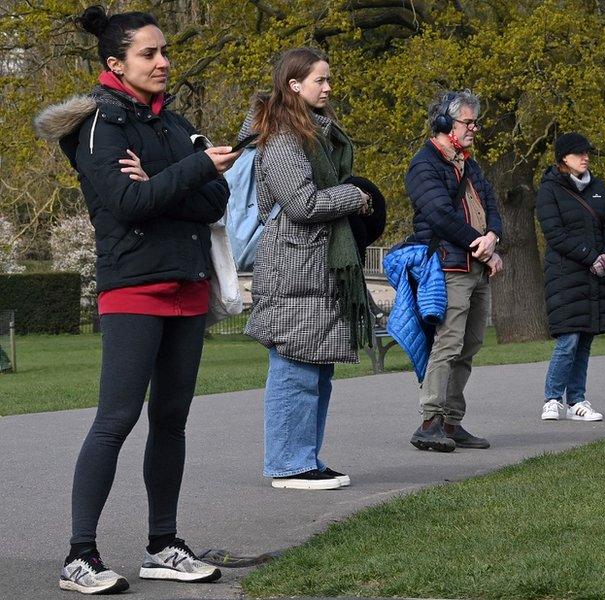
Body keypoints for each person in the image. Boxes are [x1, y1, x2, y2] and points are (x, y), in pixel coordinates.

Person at [34, 5, 238, 593]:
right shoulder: (99, 125)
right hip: (133, 288)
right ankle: (80, 554)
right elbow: (127, 205)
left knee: (171, 421)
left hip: (189, 286)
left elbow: (214, 202)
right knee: (116, 420)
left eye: (164, 51)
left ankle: (162, 545)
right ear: (114, 63)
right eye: (149, 53)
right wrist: (192, 169)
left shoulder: (172, 123)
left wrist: (167, 182)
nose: (163, 62)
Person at [240, 48, 376, 490]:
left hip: (318, 265)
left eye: (328, 79)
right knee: (295, 367)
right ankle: (287, 463)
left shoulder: (316, 134)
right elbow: (301, 204)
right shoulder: (280, 136)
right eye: (320, 80)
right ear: (294, 85)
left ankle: (305, 458)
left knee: (317, 369)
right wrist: (354, 197)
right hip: (293, 267)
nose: (328, 87)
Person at [406, 90, 503, 451]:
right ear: (446, 123)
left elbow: (491, 203)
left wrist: (493, 237)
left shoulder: (469, 164)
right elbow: (439, 215)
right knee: (447, 343)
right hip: (449, 264)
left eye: (475, 122)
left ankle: (451, 421)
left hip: (475, 263)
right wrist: (479, 245)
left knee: (471, 343)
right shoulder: (424, 164)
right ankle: (429, 421)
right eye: (468, 122)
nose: (474, 128)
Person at [536, 133, 605, 421]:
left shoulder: (598, 187)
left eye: (587, 152)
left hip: (597, 275)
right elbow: (555, 234)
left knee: (585, 337)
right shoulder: (550, 189)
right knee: (569, 337)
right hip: (565, 273)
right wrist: (590, 257)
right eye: (578, 153)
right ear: (563, 158)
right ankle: (552, 397)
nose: (585, 157)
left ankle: (576, 399)